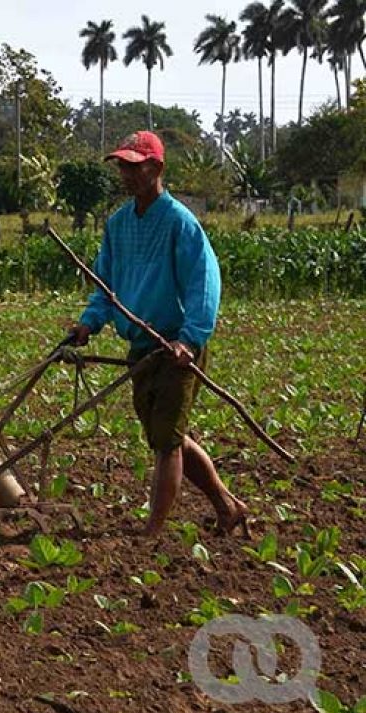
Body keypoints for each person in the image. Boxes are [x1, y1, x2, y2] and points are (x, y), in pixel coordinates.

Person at [69, 130, 248, 537]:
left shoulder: (180, 222)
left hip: (174, 346)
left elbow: (204, 283)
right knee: (167, 437)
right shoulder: (118, 225)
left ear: (157, 168)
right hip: (141, 346)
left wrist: (191, 338)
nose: (127, 174)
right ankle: (228, 506)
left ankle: (151, 532)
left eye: (135, 166)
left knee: (167, 442)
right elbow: (106, 286)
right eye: (122, 166)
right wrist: (88, 323)